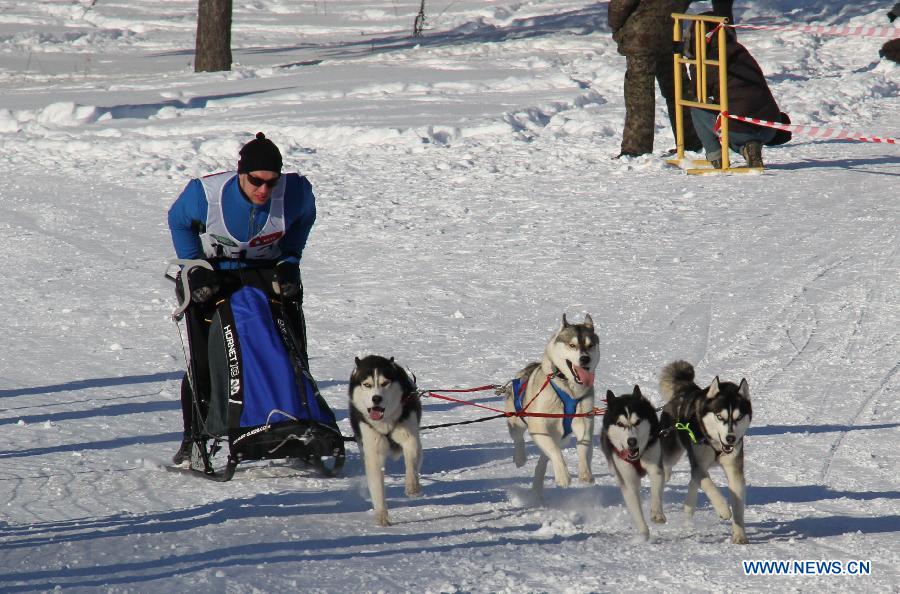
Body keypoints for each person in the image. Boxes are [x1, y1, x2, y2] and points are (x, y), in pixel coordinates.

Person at [167, 132, 316, 464]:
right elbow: (178, 220)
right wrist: (194, 265)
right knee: (207, 359)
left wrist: (291, 259)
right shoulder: (205, 195)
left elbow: (306, 217)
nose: (264, 190)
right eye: (255, 181)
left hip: (267, 270)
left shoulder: (295, 193)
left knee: (286, 349)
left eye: (271, 182)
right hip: (215, 271)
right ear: (240, 174)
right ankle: (195, 435)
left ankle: (295, 426)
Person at [687, 19, 787, 168]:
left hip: (741, 128)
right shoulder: (739, 50)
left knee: (696, 107)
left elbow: (699, 92)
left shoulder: (709, 60)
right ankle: (749, 148)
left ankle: (717, 156)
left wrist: (694, 65)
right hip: (770, 125)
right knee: (734, 110)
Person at [608, 0, 703, 157]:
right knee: (679, 89)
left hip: (641, 36)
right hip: (671, 32)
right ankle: (692, 141)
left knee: (640, 93)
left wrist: (617, 27)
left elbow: (620, 5)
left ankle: (636, 148)